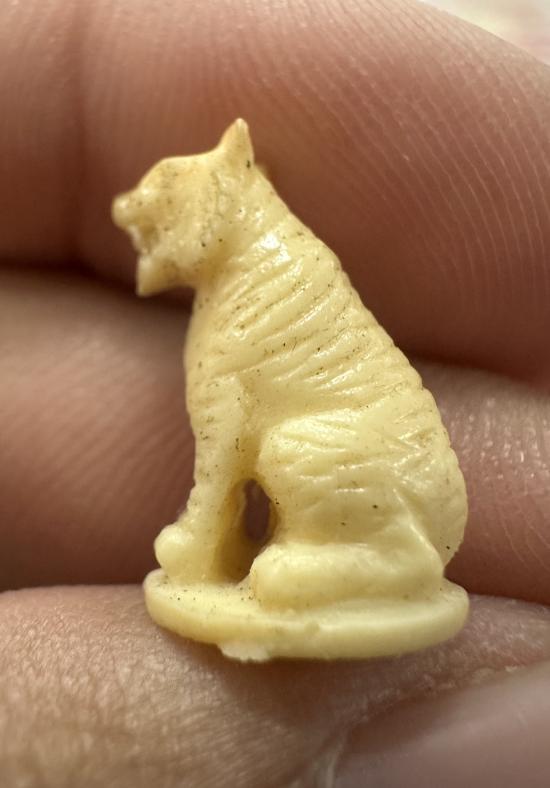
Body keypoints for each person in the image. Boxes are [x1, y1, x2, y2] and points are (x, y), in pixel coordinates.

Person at [1, 0, 549, 785]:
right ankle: (303, 549)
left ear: (226, 188)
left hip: (390, 490)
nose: (134, 212)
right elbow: (226, 431)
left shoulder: (270, 290)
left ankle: (379, 556)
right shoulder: (258, 284)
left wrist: (200, 534)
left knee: (294, 450)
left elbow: (230, 436)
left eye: (165, 197)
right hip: (392, 483)